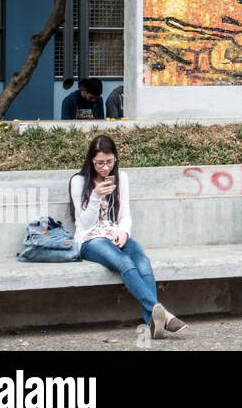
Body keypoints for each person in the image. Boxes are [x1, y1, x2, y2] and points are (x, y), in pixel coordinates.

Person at [69, 134, 187, 339]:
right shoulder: (78, 181)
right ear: (91, 161)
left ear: (115, 158)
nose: (105, 168)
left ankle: (153, 323)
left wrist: (124, 232)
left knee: (142, 262)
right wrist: (96, 196)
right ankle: (164, 315)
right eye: (99, 163)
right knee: (124, 262)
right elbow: (85, 223)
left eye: (109, 162)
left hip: (115, 235)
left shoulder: (121, 178)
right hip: (90, 240)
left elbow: (125, 214)